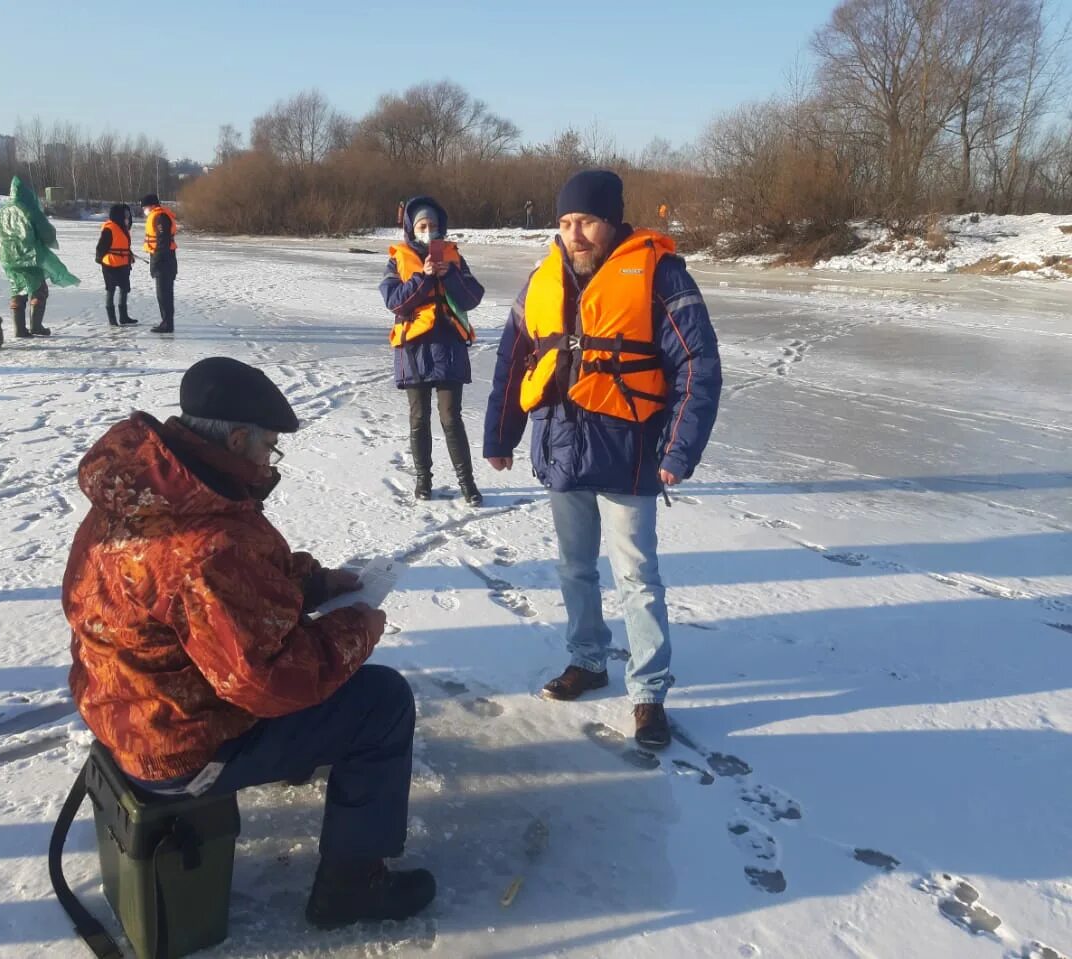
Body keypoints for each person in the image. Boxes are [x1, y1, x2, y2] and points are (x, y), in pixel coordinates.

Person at [63, 356, 435, 929]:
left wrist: (310, 583)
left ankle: (295, 758)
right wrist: (358, 627)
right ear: (237, 439)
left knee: (315, 675)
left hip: (120, 704)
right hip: (174, 746)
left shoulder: (145, 489)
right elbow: (268, 682)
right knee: (382, 701)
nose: (270, 460)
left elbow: (209, 599)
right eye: (268, 446)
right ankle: (352, 887)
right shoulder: (207, 543)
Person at [483, 170, 722, 749]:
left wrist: (679, 450)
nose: (575, 234)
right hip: (561, 447)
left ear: (613, 221)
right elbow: (514, 360)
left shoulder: (660, 275)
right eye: (565, 223)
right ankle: (588, 661)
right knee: (574, 569)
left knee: (637, 576)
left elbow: (698, 365)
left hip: (629, 452)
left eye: (585, 221)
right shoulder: (542, 280)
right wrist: (500, 434)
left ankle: (648, 692)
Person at [379, 196, 485, 506]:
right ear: (412, 229)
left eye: (434, 226)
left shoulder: (453, 258)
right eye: (423, 226)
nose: (429, 232)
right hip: (414, 350)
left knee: (452, 418)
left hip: (448, 347)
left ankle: (468, 483)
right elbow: (394, 301)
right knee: (418, 418)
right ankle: (423, 481)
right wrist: (423, 278)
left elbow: (472, 297)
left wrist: (448, 275)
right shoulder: (397, 260)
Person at [0, 176, 79, 339]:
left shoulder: (2, 212)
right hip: (30, 256)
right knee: (39, 289)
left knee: (17, 288)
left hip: (9, 257)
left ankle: (19, 329)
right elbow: (46, 232)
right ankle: (36, 326)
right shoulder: (28, 209)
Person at [94, 203, 138, 328]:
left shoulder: (124, 228)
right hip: (110, 265)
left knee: (124, 289)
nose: (127, 218)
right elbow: (101, 247)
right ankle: (112, 320)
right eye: (125, 215)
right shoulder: (110, 228)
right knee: (111, 290)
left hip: (123, 264)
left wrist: (129, 255)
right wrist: (99, 259)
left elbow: (124, 245)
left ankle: (124, 317)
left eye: (128, 215)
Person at [140, 194, 177, 334]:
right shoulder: (157, 216)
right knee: (163, 294)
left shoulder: (160, 217)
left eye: (144, 206)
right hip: (162, 258)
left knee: (164, 294)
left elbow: (163, 241)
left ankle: (167, 324)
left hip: (164, 260)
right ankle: (166, 322)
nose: (144, 210)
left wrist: (156, 261)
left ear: (151, 205)